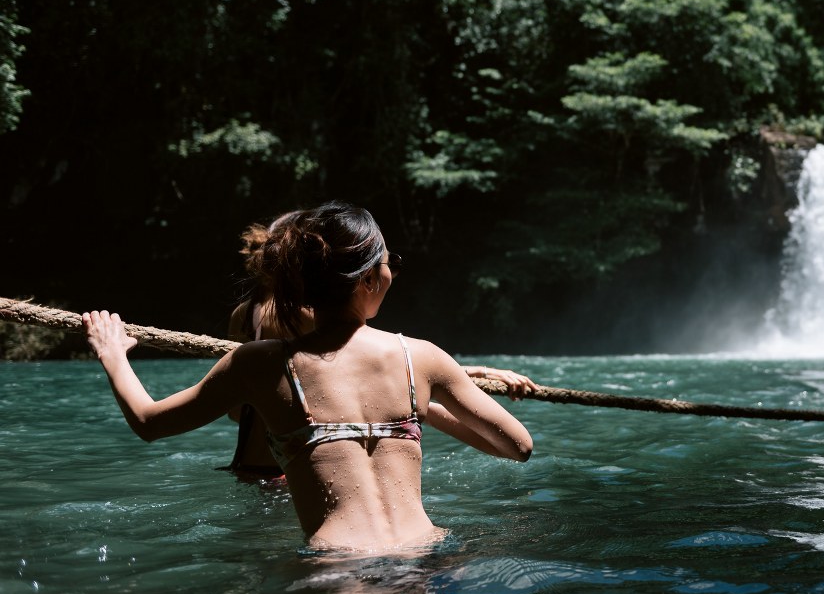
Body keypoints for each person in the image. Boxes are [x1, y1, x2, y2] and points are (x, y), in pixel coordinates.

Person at [82, 201, 534, 551]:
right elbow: (517, 446)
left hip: (338, 563)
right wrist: (420, 409)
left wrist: (113, 353)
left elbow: (149, 422)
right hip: (428, 550)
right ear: (373, 279)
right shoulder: (420, 357)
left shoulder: (258, 363)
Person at [224, 215, 538, 481]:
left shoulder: (247, 312)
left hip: (251, 467)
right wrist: (436, 388)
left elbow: (238, 411)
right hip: (294, 471)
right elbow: (371, 367)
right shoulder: (308, 313)